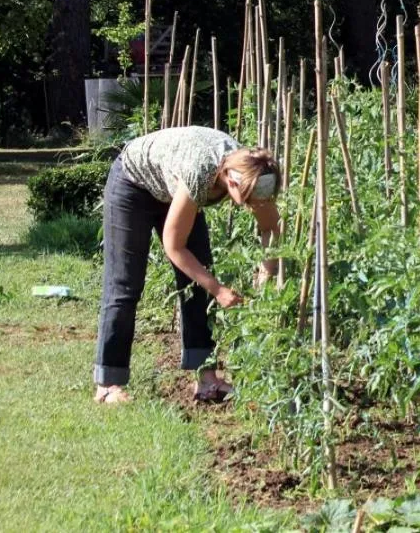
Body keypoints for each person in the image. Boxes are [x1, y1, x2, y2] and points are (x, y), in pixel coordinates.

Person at [93, 126, 282, 404]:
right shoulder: (201, 171)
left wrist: (266, 272)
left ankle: (207, 381)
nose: (255, 204)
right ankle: (108, 384)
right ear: (231, 182)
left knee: (198, 279)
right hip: (133, 183)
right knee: (125, 285)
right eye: (250, 199)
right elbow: (174, 246)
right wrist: (219, 290)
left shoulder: (254, 170)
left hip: (173, 185)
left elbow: (270, 228)